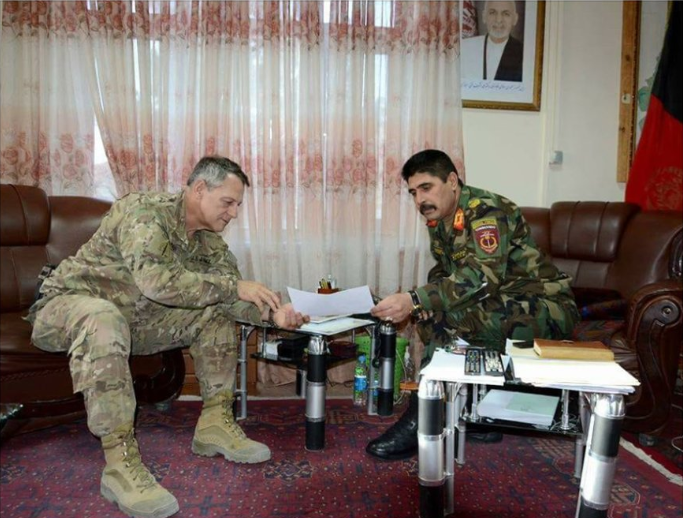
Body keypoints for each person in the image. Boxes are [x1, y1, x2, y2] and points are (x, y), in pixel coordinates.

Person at [27, 156, 309, 518]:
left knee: (214, 311)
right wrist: (232, 287)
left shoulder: (209, 242)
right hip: (66, 308)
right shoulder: (144, 211)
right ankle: (119, 463)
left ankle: (215, 423)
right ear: (200, 189)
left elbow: (231, 298)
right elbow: (156, 282)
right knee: (103, 318)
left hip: (134, 322)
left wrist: (274, 314)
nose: (235, 213)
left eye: (238, 205)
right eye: (228, 202)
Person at [366, 149, 579, 460]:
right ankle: (475, 412)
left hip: (547, 308)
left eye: (426, 188)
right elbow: (446, 272)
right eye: (413, 192)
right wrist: (424, 302)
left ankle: (422, 419)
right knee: (432, 314)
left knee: (447, 319)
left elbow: (481, 278)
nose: (420, 200)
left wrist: (415, 298)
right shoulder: (441, 219)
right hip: (502, 301)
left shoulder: (486, 212)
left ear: (452, 181)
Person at [461, 0, 523, 82]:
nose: (498, 20)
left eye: (506, 14)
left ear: (515, 19)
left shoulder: (524, 53)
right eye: (492, 12)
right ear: (484, 17)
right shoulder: (466, 48)